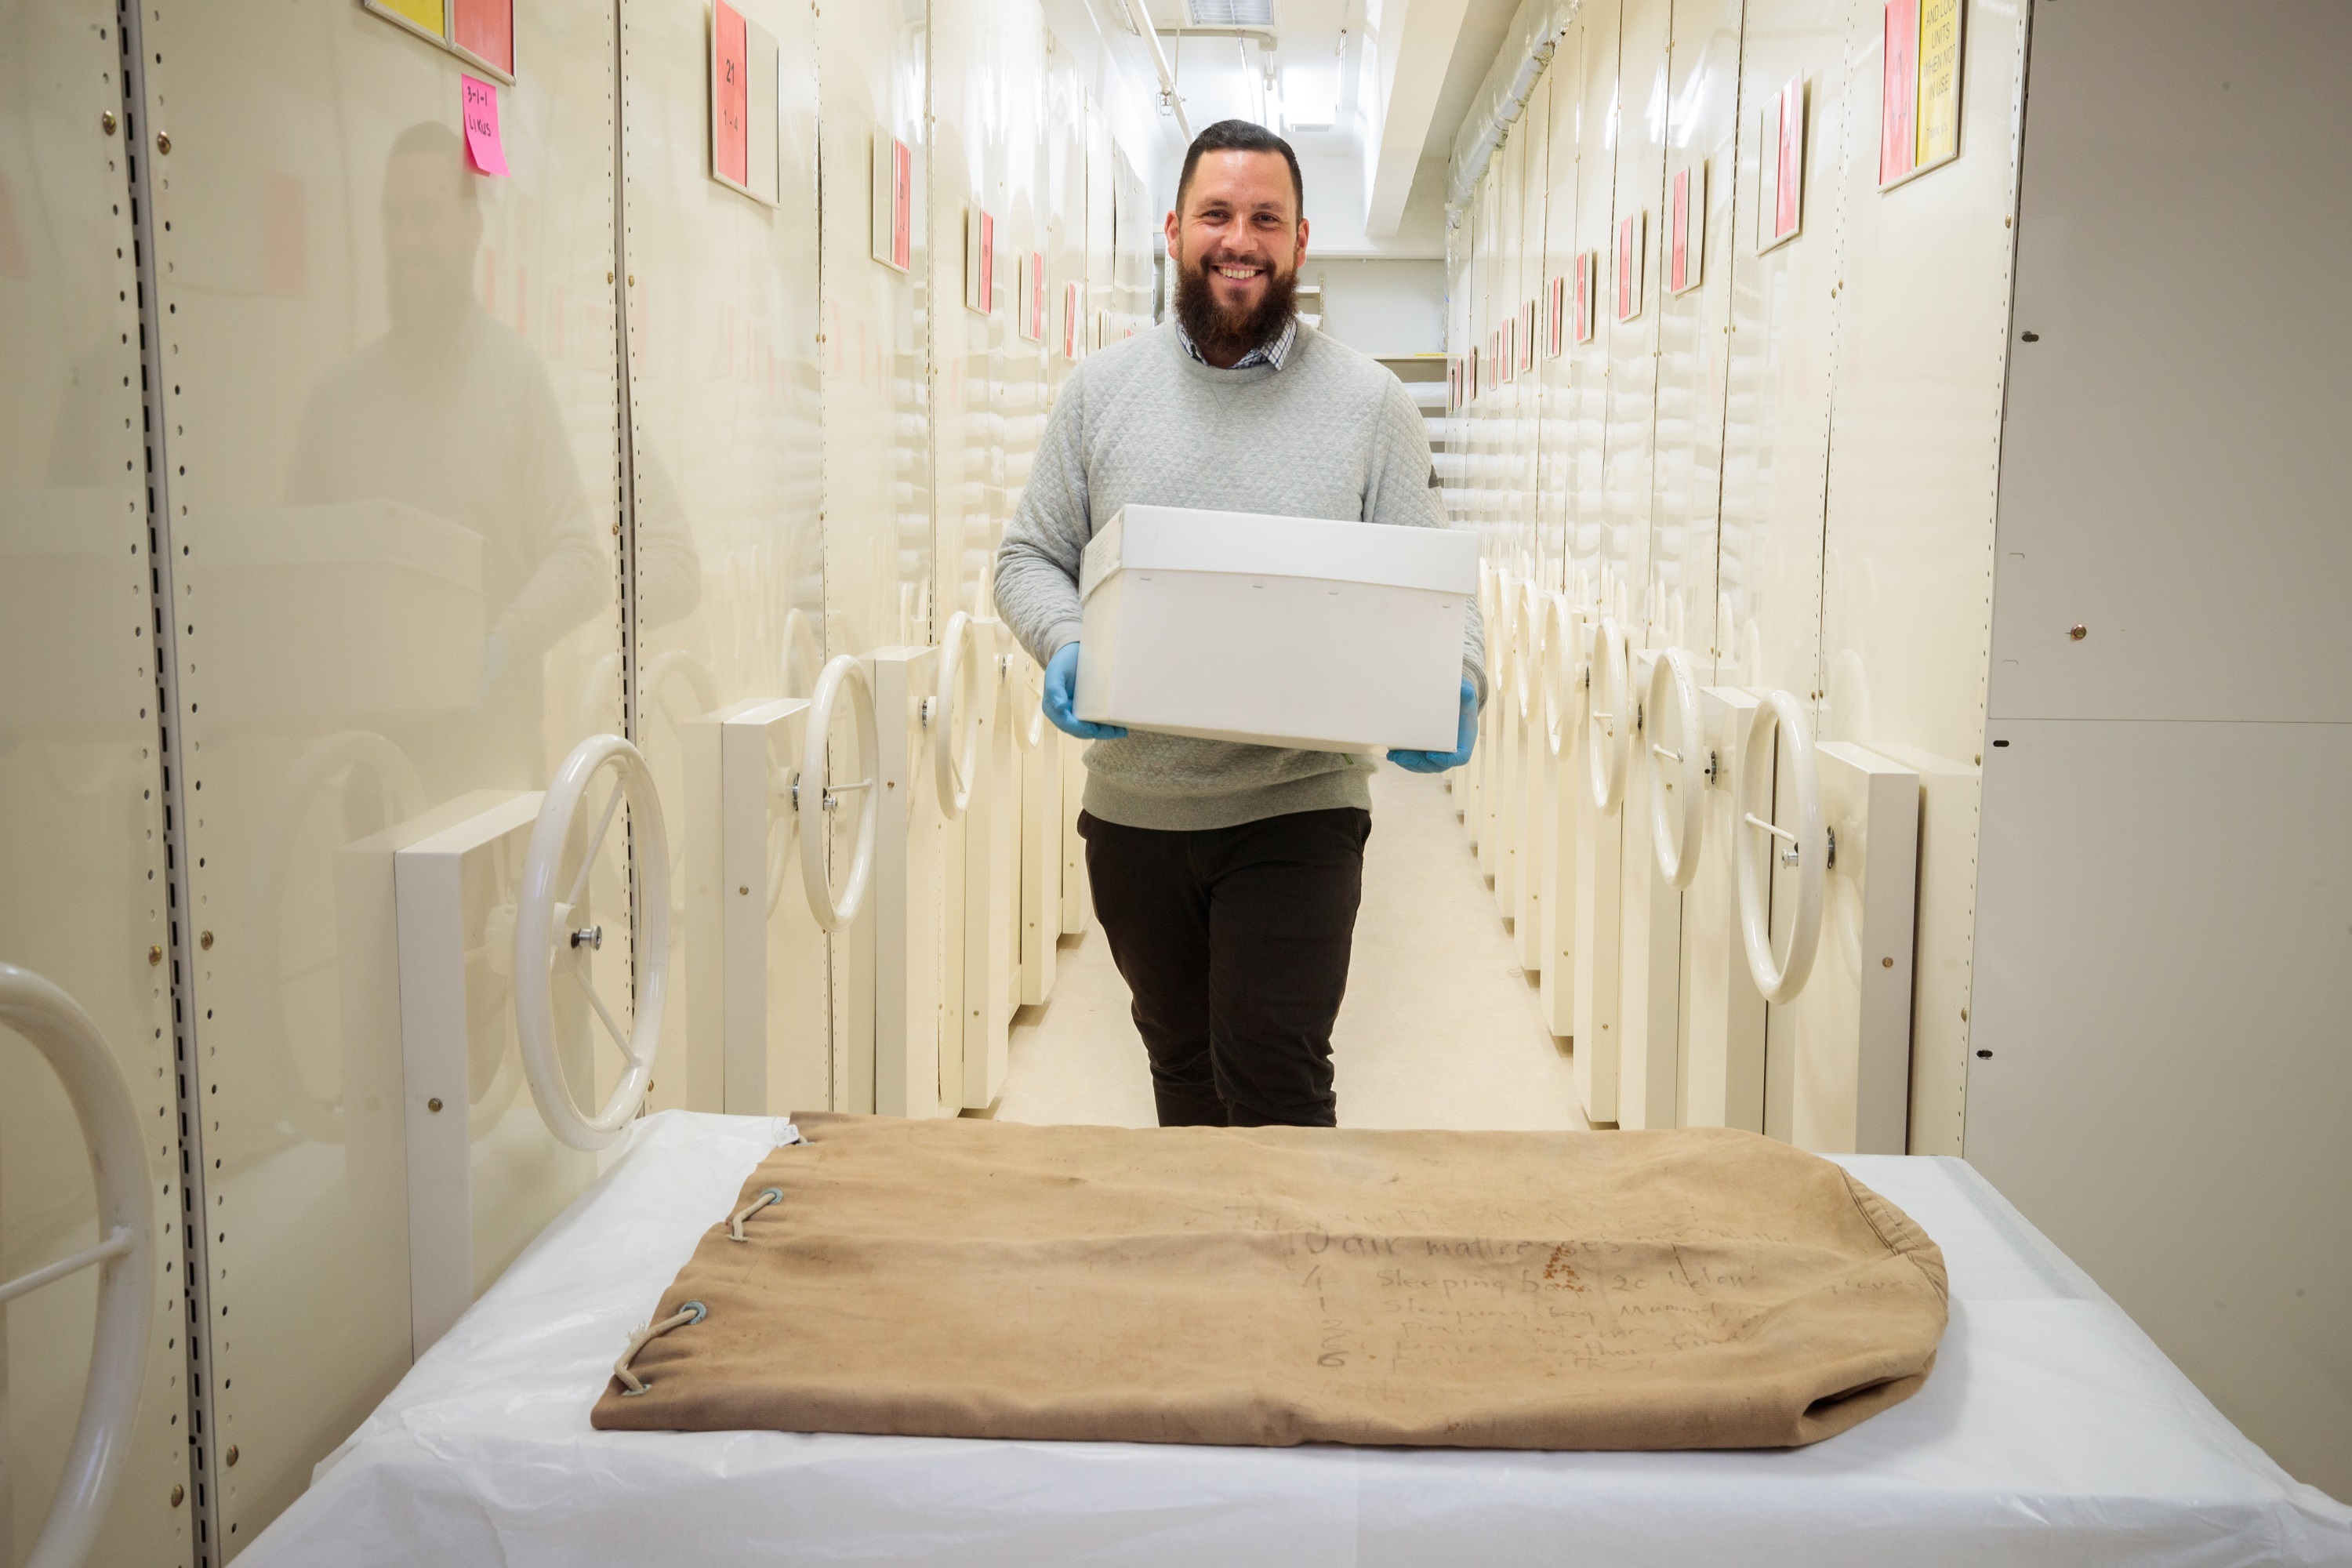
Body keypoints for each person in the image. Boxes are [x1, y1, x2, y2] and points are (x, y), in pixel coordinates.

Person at [992, 119, 1484, 1131]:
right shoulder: (1100, 396)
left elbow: (1439, 588)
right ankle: (1208, 1281)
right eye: (1217, 214)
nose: (1240, 240)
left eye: (1267, 218)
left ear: (1301, 242)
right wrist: (1063, 641)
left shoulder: (1370, 405)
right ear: (1175, 231)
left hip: (1299, 805)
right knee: (1180, 1070)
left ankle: (1293, 1288)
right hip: (1137, 813)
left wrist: (1459, 677)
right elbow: (1027, 559)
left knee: (1273, 1071)